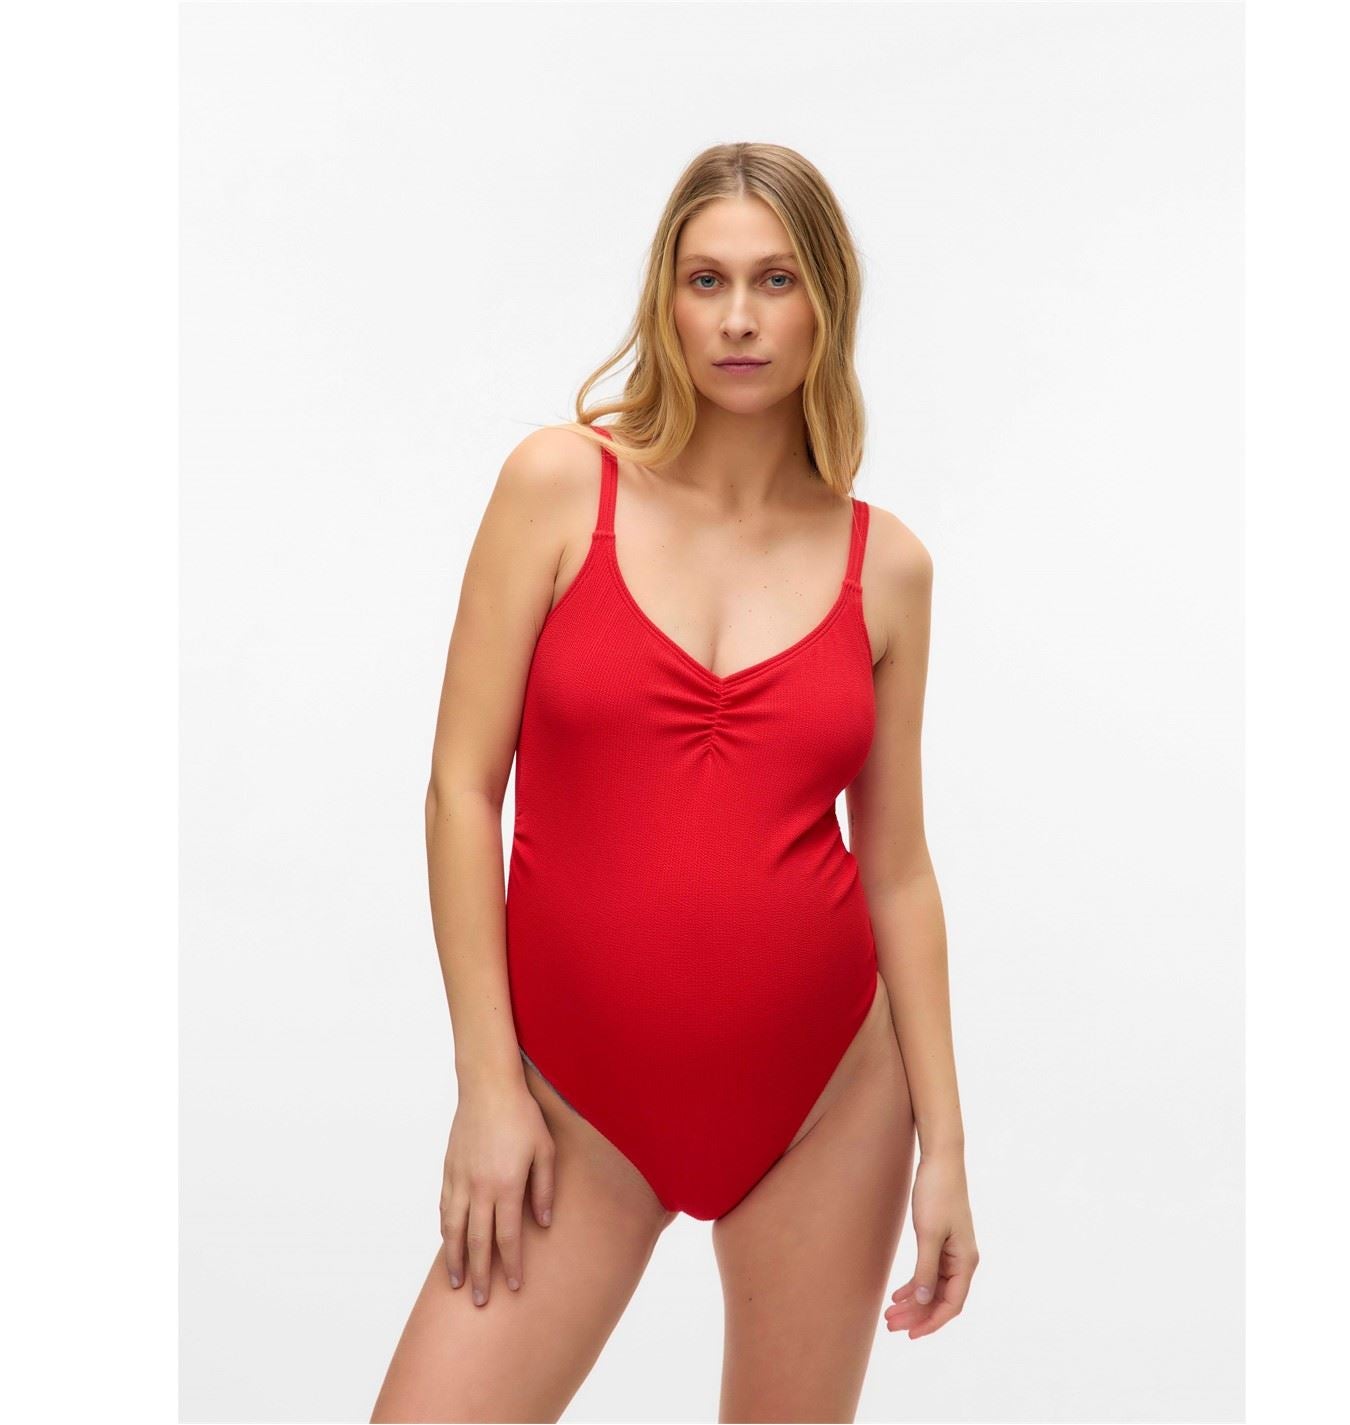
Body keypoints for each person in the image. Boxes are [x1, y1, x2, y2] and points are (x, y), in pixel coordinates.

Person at [371, 142, 977, 1424]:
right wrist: (488, 1085)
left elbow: (899, 870)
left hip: (829, 1103)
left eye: (776, 280)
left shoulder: (889, 570)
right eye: (708, 281)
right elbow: (460, 789)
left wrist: (947, 1152)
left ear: (827, 303)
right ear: (667, 298)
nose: (740, 317)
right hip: (572, 1108)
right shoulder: (558, 487)